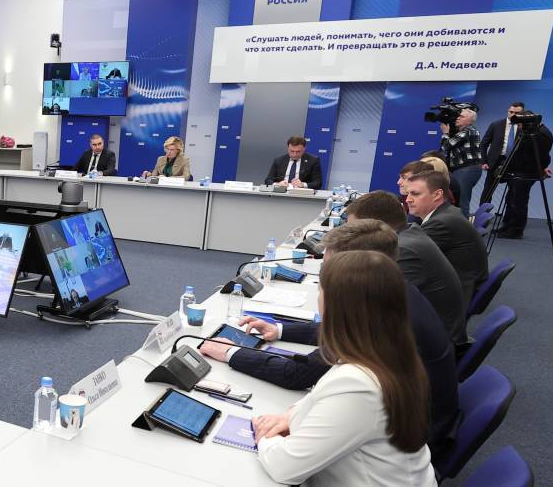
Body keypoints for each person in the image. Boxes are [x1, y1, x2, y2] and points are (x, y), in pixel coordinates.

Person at [201, 219, 459, 455]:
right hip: (410, 429)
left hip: (413, 441)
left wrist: (230, 352)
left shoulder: (378, 329)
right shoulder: (395, 293)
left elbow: (296, 374)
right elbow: (333, 329)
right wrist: (279, 330)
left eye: (328, 269)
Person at [252, 251, 438, 486]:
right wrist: (289, 416)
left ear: (334, 306)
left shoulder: (358, 384)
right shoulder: (389, 352)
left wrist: (266, 434)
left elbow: (283, 467)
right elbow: (321, 399)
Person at [345, 192, 468, 346]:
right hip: (427, 336)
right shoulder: (408, 234)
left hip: (427, 347)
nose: (349, 237)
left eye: (353, 231)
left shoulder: (404, 251)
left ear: (376, 226)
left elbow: (376, 310)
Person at [406, 170, 489, 307]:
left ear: (437, 195)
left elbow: (408, 253)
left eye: (415, 194)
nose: (408, 199)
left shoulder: (442, 223)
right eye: (408, 193)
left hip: (453, 298)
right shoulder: (447, 213)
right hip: (458, 284)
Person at [479, 106, 553, 238]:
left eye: (520, 124)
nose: (518, 127)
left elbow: (540, 155)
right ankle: (507, 226)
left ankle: (516, 230)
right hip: (517, 171)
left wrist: (542, 167)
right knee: (511, 199)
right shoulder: (531, 131)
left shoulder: (541, 134)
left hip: (526, 173)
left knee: (518, 202)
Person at [438, 107, 483, 216]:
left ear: (470, 121)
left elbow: (446, 146)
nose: (458, 118)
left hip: (467, 169)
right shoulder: (461, 132)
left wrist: (445, 133)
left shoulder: (468, 131)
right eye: (458, 116)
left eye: (462, 117)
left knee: (462, 200)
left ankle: (463, 226)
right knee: (458, 199)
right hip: (462, 169)